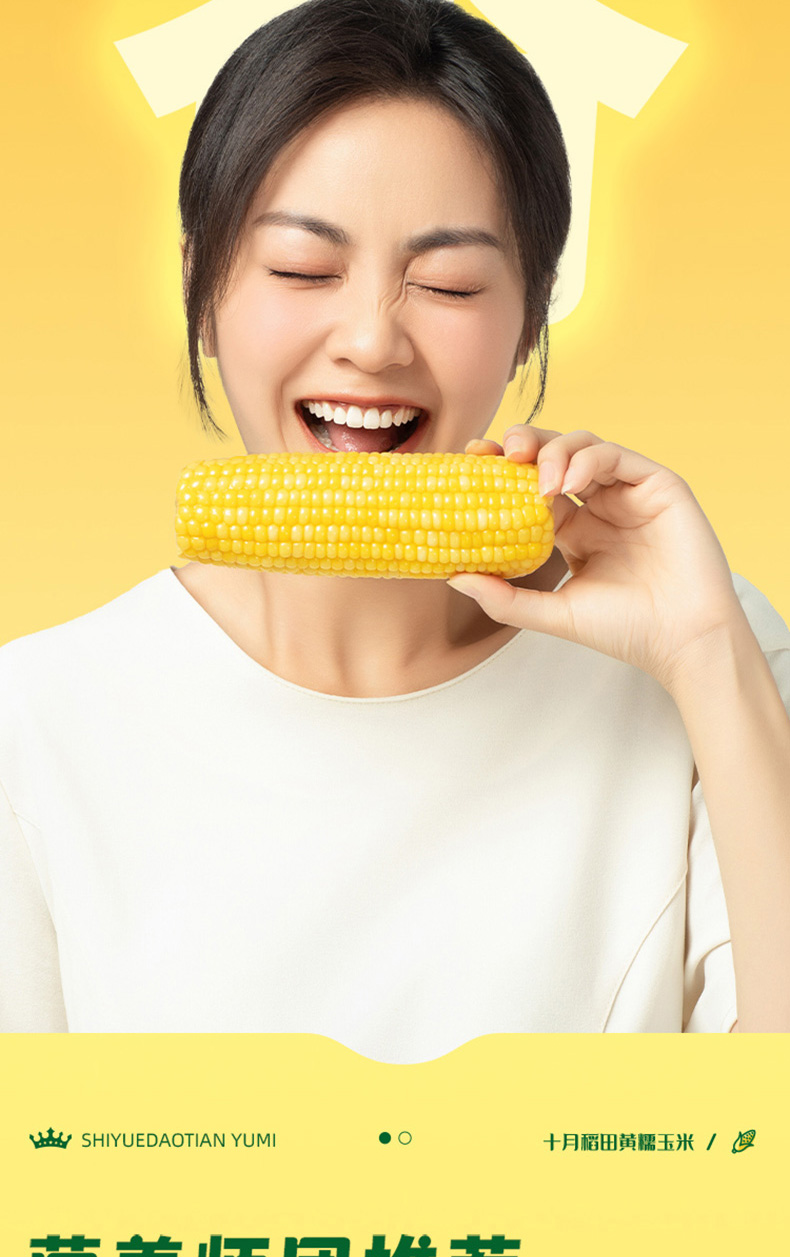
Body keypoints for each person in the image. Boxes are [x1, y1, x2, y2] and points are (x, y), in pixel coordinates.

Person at [1, 0, 788, 1056]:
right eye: (301, 269)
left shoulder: (709, 661)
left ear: (529, 316)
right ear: (199, 287)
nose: (372, 342)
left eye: (448, 283)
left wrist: (707, 657)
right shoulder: (37, 723)